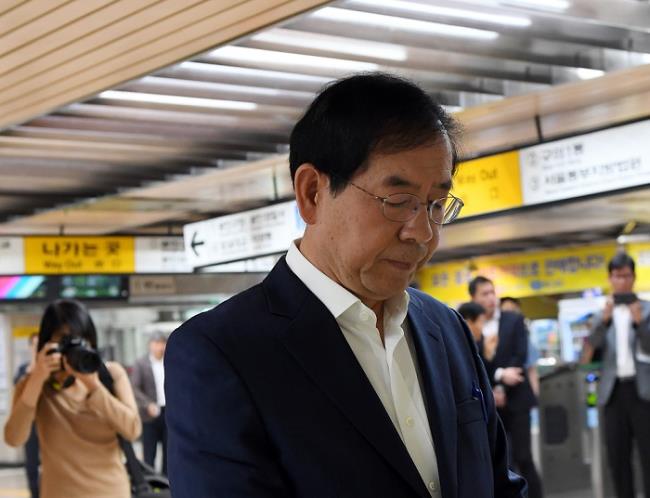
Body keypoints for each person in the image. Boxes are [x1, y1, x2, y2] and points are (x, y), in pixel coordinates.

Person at [165, 73, 526, 498]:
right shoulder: (221, 352)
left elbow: (499, 484)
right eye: (399, 202)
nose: (423, 232)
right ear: (312, 193)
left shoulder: (445, 328)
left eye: (435, 204)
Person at [4, 299, 141, 498]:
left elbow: (133, 430)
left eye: (81, 341)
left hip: (111, 492)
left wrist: (94, 386)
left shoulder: (110, 375)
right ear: (47, 344)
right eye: (65, 341)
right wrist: (37, 378)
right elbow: (14, 438)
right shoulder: (35, 385)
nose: (74, 349)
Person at [470, 276, 542, 498]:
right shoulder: (470, 325)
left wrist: (502, 386)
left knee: (524, 457)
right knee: (500, 461)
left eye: (492, 292)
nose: (491, 298)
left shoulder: (514, 319)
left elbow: (520, 355)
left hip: (517, 396)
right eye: (484, 294)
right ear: (473, 298)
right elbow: (475, 363)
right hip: (489, 403)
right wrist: (498, 378)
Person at [587, 253, 650, 498]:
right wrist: (603, 321)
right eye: (617, 276)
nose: (621, 281)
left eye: (626, 276)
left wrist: (640, 322)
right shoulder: (602, 313)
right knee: (617, 458)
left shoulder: (646, 309)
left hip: (643, 391)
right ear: (610, 278)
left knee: (648, 455)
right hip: (612, 393)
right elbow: (590, 350)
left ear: (633, 277)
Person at [130, 331, 168, 475]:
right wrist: (148, 404)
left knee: (169, 450)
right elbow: (134, 388)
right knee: (149, 452)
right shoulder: (141, 363)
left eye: (162, 343)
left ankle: (166, 481)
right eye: (157, 343)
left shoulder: (170, 361)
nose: (160, 347)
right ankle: (151, 481)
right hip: (149, 414)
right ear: (150, 345)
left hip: (168, 412)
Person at [13, 333, 40, 498]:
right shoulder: (24, 369)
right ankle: (35, 493)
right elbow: (17, 386)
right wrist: (32, 368)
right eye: (35, 344)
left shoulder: (51, 369)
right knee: (31, 462)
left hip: (49, 423)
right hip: (30, 424)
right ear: (30, 347)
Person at [500, 297, 540, 397]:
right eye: (506, 311)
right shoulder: (492, 336)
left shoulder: (524, 338)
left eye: (513, 310)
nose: (511, 316)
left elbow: (531, 369)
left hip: (521, 391)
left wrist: (535, 395)